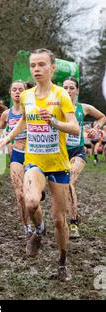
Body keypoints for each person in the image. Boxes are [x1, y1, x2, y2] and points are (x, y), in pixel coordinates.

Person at [0, 48, 80, 281]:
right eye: (33, 65)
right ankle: (38, 229)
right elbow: (24, 121)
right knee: (31, 201)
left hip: (58, 163)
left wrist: (53, 122)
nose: (36, 69)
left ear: (52, 68)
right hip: (33, 160)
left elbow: (74, 127)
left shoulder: (61, 95)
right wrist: (8, 136)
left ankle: (62, 263)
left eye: (41, 65)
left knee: (59, 220)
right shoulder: (26, 96)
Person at [63, 77, 106, 238]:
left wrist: (96, 128)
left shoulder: (84, 108)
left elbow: (102, 117)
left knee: (68, 182)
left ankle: (73, 223)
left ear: (77, 90)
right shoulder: (56, 107)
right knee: (61, 188)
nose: (68, 91)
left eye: (71, 88)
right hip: (58, 153)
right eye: (65, 88)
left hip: (77, 151)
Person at [0, 81, 34, 239]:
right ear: (10, 93)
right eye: (14, 90)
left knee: (32, 195)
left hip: (34, 154)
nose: (17, 92)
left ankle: (37, 219)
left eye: (21, 89)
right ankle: (27, 226)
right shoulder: (7, 114)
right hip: (17, 154)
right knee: (19, 194)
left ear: (26, 92)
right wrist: (0, 139)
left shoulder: (32, 110)